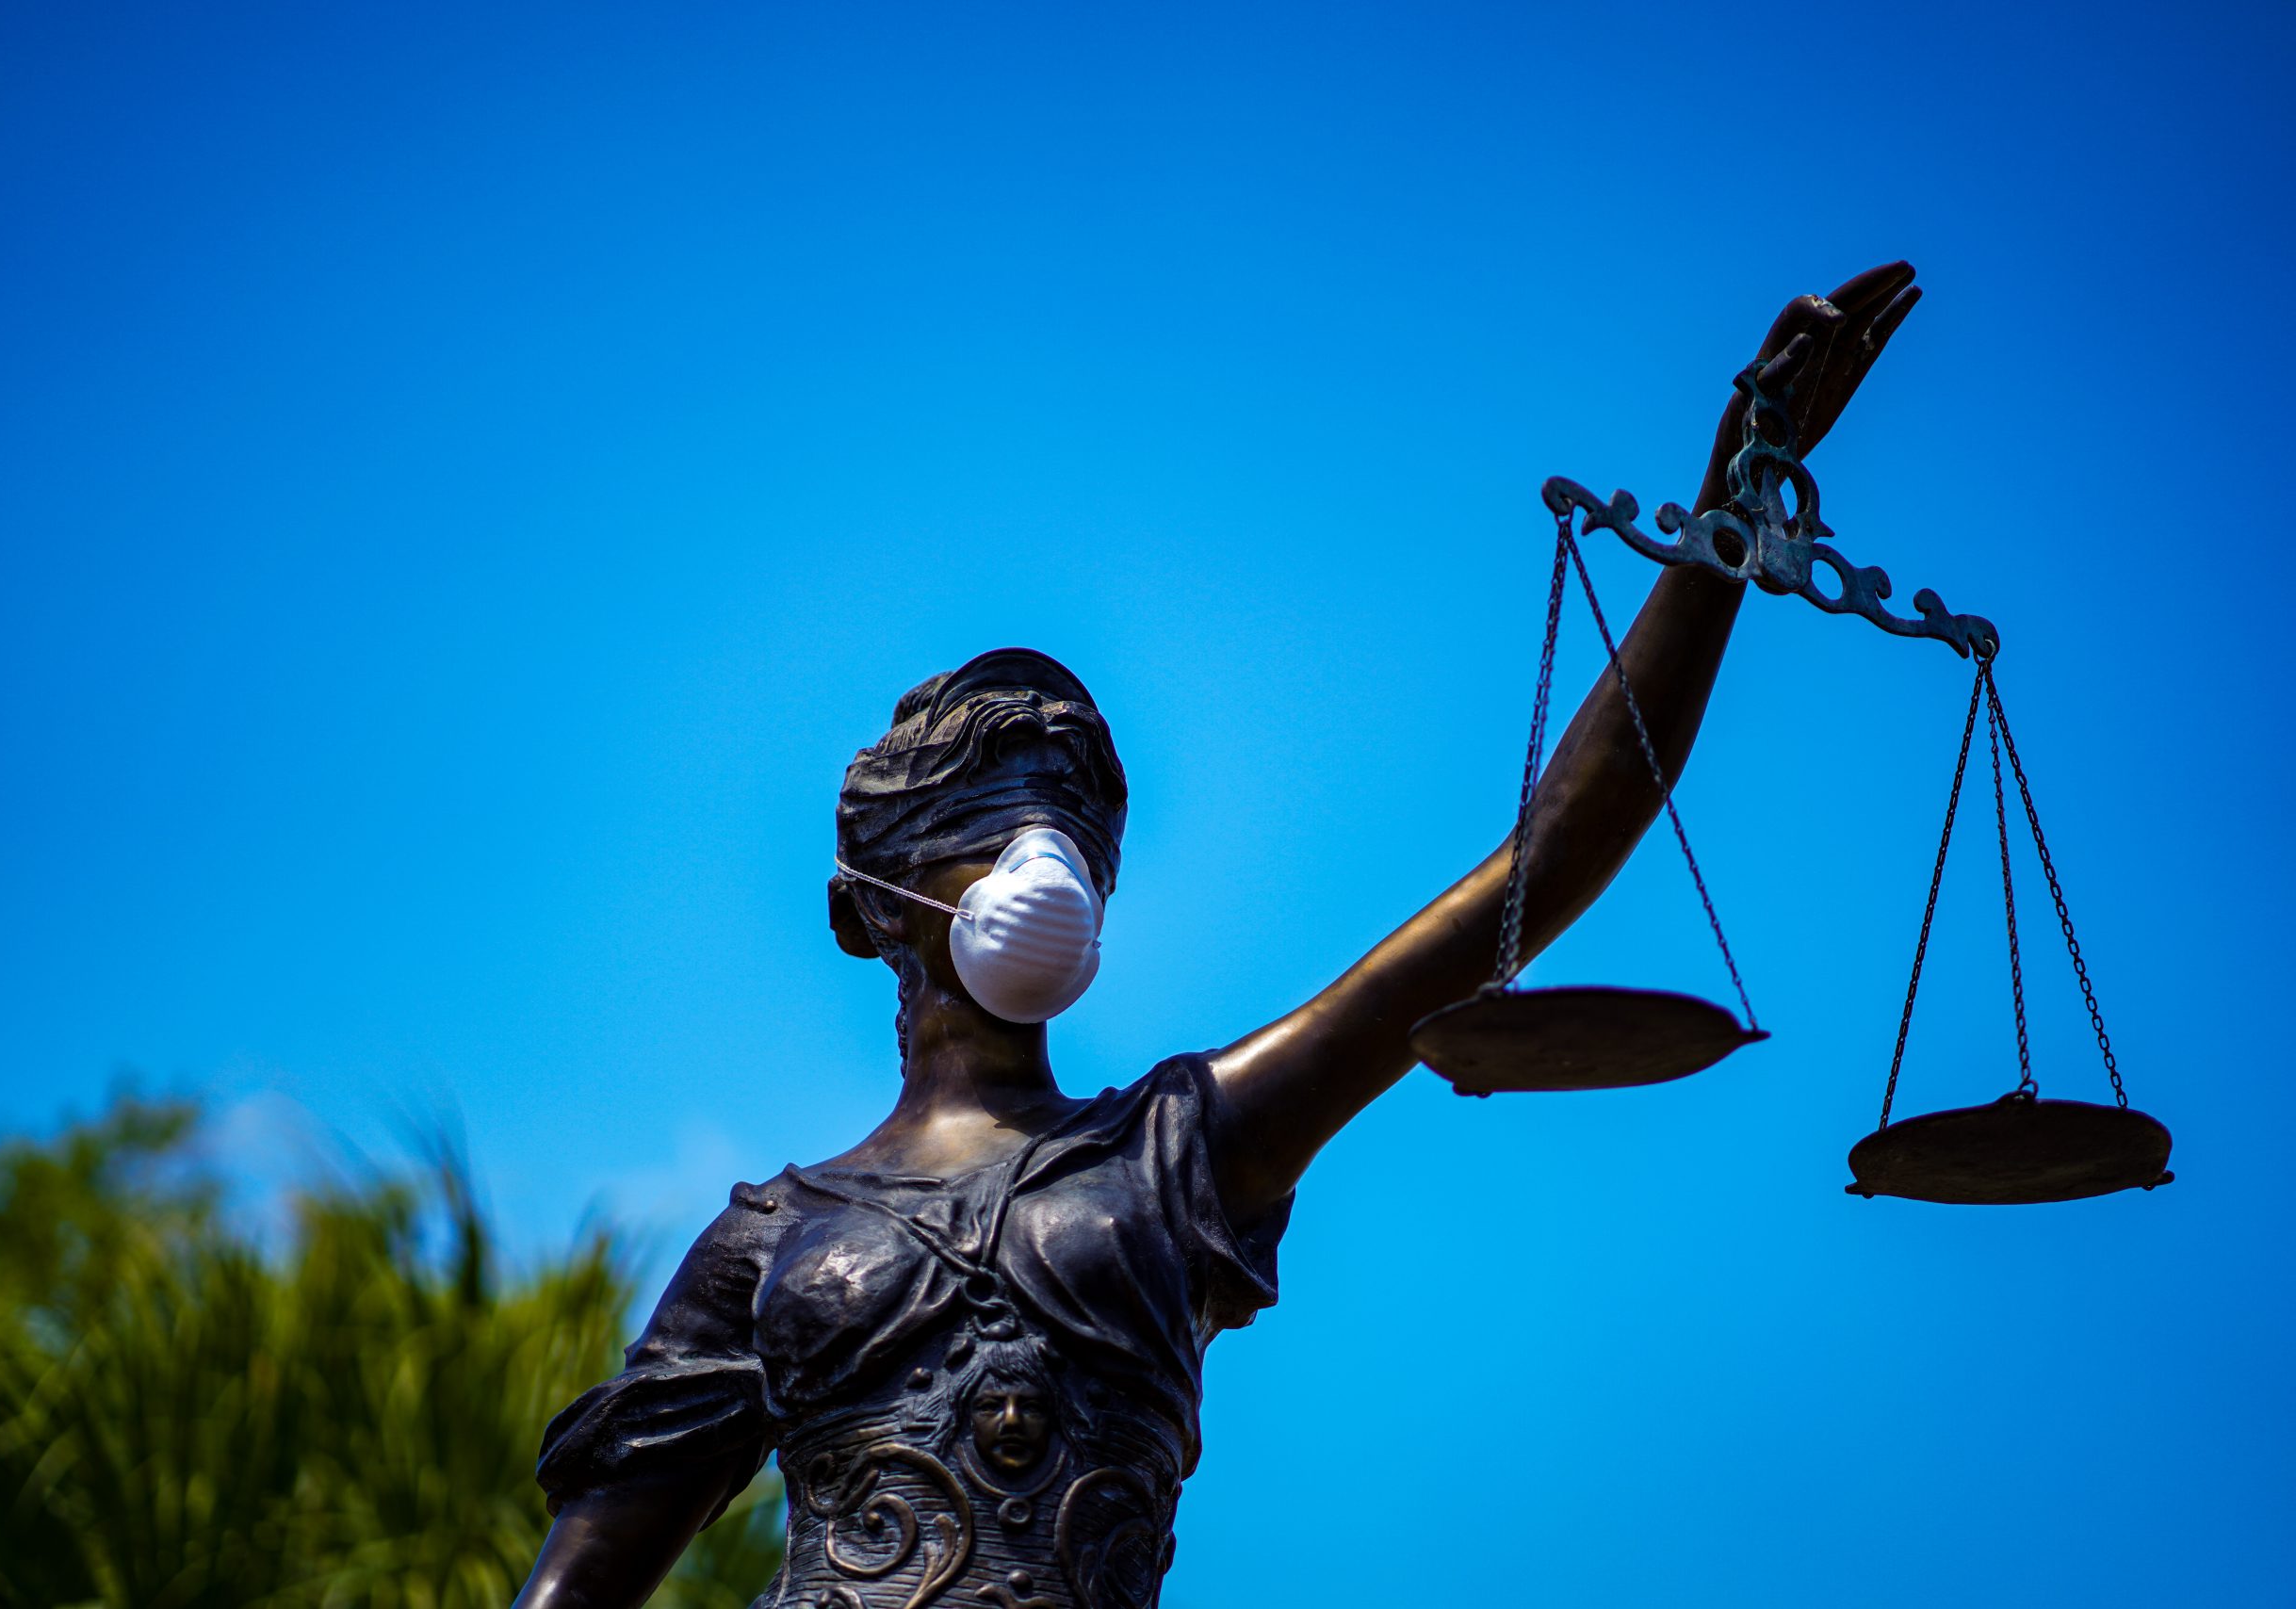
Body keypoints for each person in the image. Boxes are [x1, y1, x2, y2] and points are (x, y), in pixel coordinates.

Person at [513, 265, 1925, 1609]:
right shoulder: (772, 1240)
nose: (1043, 858)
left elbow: (1538, 870)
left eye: (1074, 828)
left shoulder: (1178, 1153)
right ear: (869, 906)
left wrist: (1722, 520)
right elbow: (580, 1582)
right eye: (991, 825)